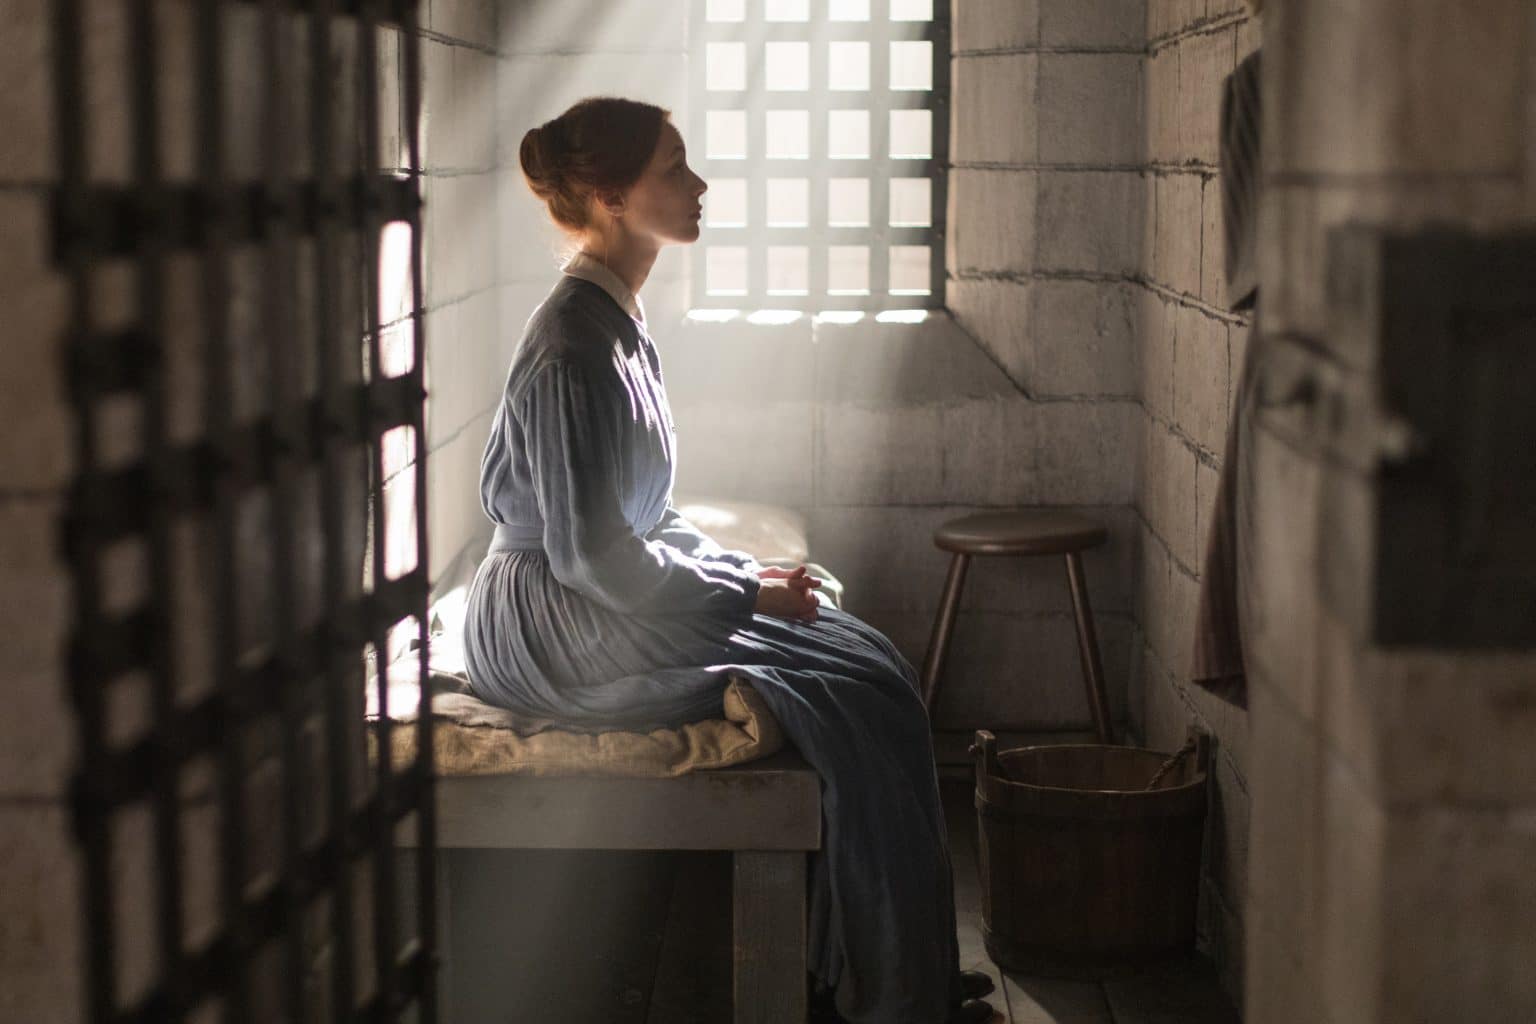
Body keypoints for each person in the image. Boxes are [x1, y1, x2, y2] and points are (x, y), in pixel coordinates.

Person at [462, 95, 996, 1024]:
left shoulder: (617, 320)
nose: (698, 184)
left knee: (872, 666)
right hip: (551, 619)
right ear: (609, 195)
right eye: (673, 167)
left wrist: (755, 579)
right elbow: (594, 559)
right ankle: (888, 996)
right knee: (841, 694)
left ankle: (900, 979)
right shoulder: (571, 346)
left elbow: (647, 516)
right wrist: (745, 590)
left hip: (592, 589)